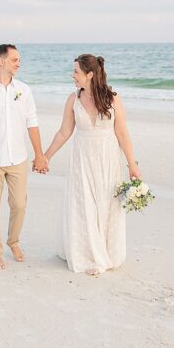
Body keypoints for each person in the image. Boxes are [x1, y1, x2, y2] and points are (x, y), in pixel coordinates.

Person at [42, 54, 141, 275]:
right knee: (84, 203)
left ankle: (106, 252)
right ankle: (89, 255)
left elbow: (122, 133)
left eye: (76, 71)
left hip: (107, 158)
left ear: (90, 74)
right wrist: (45, 156)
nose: (73, 76)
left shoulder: (113, 99)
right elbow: (64, 132)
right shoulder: (73, 99)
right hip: (82, 158)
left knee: (107, 203)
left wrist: (132, 165)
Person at [0, 43, 48, 270]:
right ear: (1, 61)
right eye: (14, 59)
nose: (18, 63)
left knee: (19, 204)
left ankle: (13, 241)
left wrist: (39, 154)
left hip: (18, 159)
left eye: (18, 59)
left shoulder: (24, 90)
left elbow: (32, 122)